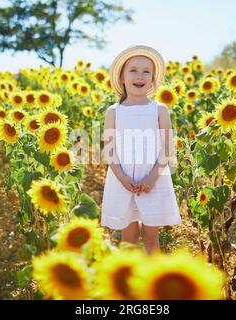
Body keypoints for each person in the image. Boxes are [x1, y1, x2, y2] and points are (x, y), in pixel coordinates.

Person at [101, 45, 182, 254]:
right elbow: (109, 151)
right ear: (121, 77)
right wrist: (121, 177)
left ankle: (152, 281)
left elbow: (167, 148)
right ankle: (127, 282)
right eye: (133, 70)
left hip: (153, 178)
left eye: (146, 71)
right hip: (123, 179)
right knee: (128, 237)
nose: (140, 75)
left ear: (153, 80)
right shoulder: (114, 112)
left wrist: (152, 177)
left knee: (151, 237)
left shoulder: (159, 110)